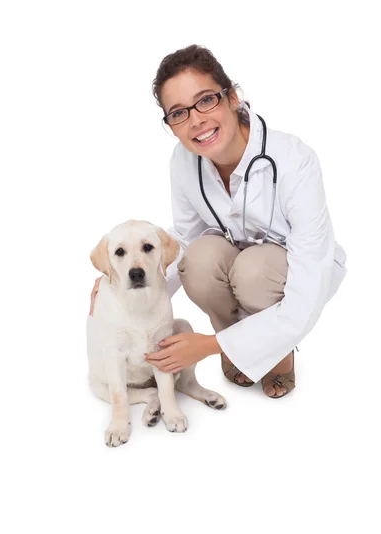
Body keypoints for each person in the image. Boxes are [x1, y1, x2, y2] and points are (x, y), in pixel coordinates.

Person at [90, 44, 347, 398]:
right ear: (170, 124)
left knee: (253, 270)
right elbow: (183, 239)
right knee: (196, 258)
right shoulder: (184, 160)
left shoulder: (294, 161)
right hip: (231, 261)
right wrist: (120, 286)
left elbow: (307, 287)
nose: (196, 120)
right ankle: (237, 343)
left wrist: (208, 346)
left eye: (206, 100)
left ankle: (272, 354)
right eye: (178, 112)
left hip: (285, 272)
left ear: (233, 98)